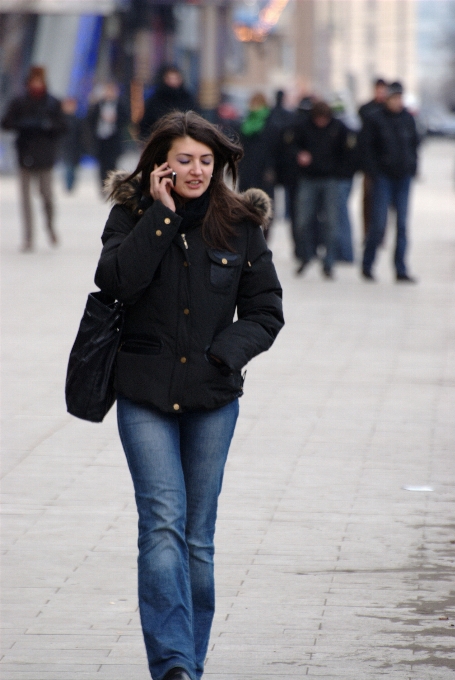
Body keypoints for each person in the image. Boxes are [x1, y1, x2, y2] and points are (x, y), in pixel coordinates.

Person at [94, 110, 284, 680]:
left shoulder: (241, 223)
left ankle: (189, 661)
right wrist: (160, 217)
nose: (197, 170)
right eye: (184, 160)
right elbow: (116, 281)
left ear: (219, 164)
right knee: (161, 525)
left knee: (197, 541)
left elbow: (266, 310)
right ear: (161, 165)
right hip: (144, 393)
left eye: (206, 160)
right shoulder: (130, 215)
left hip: (212, 398)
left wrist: (224, 355)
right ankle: (173, 664)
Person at [1, 65, 67, 251]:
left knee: (47, 196)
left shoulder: (52, 103)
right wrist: (24, 125)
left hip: (45, 157)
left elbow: (63, 127)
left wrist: (47, 126)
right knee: (25, 200)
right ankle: (28, 237)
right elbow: (6, 122)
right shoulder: (19, 102)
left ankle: (49, 225)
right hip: (25, 155)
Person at [360, 81, 419, 282]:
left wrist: (413, 167)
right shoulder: (375, 119)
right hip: (383, 177)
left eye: (400, 98)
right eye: (394, 98)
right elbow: (367, 149)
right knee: (378, 224)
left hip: (403, 177)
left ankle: (400, 268)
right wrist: (374, 172)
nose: (397, 102)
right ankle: (367, 264)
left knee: (402, 225)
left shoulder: (407, 119)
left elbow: (414, 144)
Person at [294, 100, 348, 278]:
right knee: (302, 221)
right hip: (308, 178)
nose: (321, 123)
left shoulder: (338, 127)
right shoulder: (304, 126)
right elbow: (291, 146)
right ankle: (305, 256)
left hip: (330, 179)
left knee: (331, 222)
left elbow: (347, 152)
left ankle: (329, 262)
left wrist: (340, 172)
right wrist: (299, 155)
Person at [358, 78, 388, 238]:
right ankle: (367, 232)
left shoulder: (389, 111)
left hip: (385, 165)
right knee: (368, 199)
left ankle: (379, 234)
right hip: (369, 164)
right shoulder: (366, 109)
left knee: (383, 203)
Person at [87, 82, 130, 188]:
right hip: (101, 139)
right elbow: (90, 120)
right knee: (102, 164)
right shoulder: (98, 104)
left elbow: (126, 119)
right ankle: (103, 185)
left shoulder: (120, 104)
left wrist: (116, 119)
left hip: (114, 139)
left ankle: (112, 184)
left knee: (113, 163)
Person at [139, 65, 196, 141]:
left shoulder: (187, 98)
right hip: (160, 141)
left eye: (175, 78)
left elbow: (194, 119)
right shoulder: (155, 100)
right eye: (170, 78)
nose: (173, 81)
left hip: (184, 140)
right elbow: (146, 123)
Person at [238, 93, 275, 205]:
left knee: (263, 203)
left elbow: (273, 150)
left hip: (263, 170)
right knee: (245, 201)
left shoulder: (270, 125)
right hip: (246, 168)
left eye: (257, 104)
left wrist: (271, 168)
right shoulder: (245, 124)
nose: (254, 107)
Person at [60, 96, 84, 192]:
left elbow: (82, 134)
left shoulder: (78, 120)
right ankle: (68, 185)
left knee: (73, 167)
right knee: (68, 166)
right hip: (65, 147)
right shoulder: (61, 119)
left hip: (76, 147)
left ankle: (71, 184)